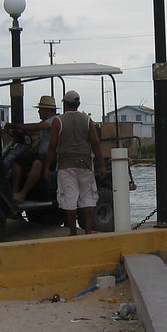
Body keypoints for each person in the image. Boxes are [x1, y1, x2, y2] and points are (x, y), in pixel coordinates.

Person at [44, 91, 106, 235]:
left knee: (69, 198)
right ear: (78, 104)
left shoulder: (58, 121)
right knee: (88, 198)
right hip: (85, 164)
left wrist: (47, 167)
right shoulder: (87, 120)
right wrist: (102, 165)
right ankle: (88, 232)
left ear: (65, 104)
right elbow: (95, 143)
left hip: (66, 165)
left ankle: (73, 232)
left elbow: (52, 146)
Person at [9, 96, 58, 202]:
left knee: (37, 163)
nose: (39, 112)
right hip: (41, 155)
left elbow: (37, 127)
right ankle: (14, 192)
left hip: (53, 156)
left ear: (47, 110)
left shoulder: (54, 121)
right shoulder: (44, 123)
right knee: (17, 161)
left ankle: (23, 193)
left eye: (40, 110)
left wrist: (17, 126)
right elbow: (36, 135)